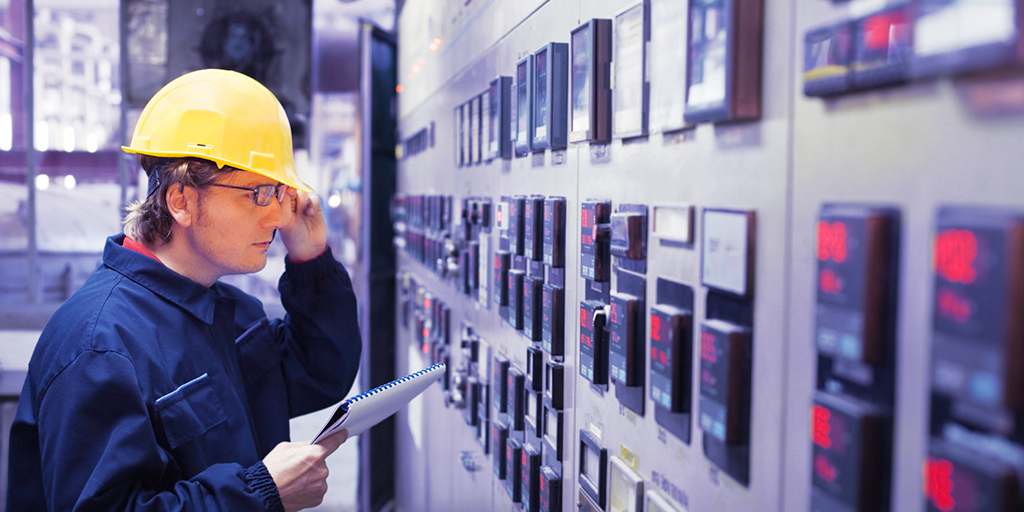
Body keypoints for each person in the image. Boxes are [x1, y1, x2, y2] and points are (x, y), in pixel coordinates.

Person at [6, 69, 361, 511]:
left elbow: (320, 371)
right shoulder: (101, 346)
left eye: (278, 193)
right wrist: (260, 492)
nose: (276, 218)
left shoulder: (225, 311)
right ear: (181, 201)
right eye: (257, 194)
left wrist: (310, 258)